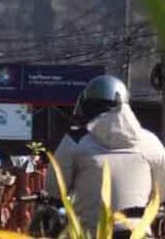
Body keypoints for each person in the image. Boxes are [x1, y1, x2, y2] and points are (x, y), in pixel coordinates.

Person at [45, 75, 165, 234]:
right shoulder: (151, 142)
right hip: (138, 232)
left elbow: (54, 190)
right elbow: (161, 193)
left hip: (90, 232)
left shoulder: (75, 141)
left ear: (87, 106)